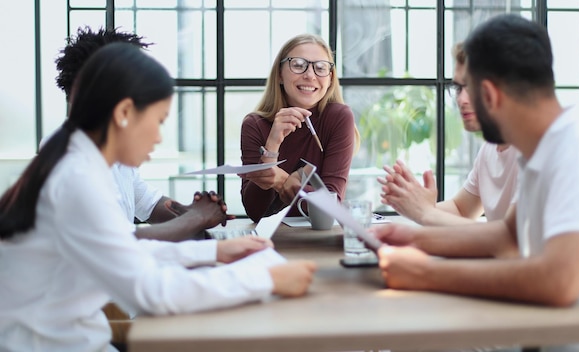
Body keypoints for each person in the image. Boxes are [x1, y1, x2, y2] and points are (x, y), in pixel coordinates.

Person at [0, 43, 317, 352]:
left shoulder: (76, 163)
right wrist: (265, 279)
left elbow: (124, 250)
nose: (159, 137)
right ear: (124, 112)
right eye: (158, 120)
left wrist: (216, 250)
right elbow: (150, 290)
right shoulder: (77, 181)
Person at [372, 14, 579, 351]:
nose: (462, 101)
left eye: (468, 89)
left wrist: (423, 275)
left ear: (489, 95)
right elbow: (507, 234)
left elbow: (560, 281)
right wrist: (414, 237)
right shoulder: (543, 150)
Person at [54, 26, 228, 242]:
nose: (158, 137)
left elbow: (146, 201)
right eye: (156, 119)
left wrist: (192, 212)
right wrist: (195, 220)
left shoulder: (105, 152)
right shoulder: (69, 163)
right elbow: (121, 244)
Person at [378, 42, 518, 226]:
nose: (461, 100)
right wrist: (413, 203)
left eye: (472, 86)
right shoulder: (489, 149)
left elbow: (508, 240)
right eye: (459, 88)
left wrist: (425, 212)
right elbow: (461, 210)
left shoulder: (534, 151)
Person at [239, 33, 358, 222]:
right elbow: (255, 211)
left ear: (330, 78)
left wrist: (283, 183)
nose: (310, 75)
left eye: (320, 68)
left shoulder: (338, 117)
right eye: (298, 65)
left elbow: (331, 207)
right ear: (279, 73)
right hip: (271, 240)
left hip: (319, 238)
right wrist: (272, 146)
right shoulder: (254, 125)